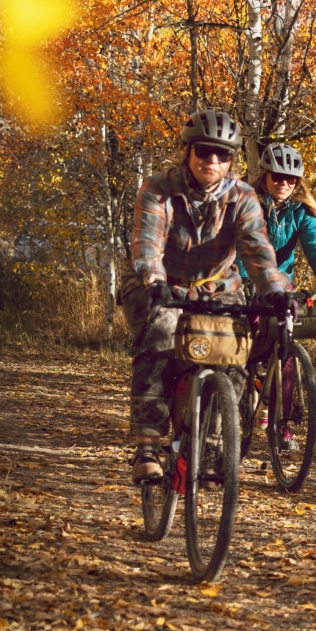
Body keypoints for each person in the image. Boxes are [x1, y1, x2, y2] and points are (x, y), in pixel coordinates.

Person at [122, 110, 288, 485]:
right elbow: (147, 243)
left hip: (218, 287)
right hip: (162, 284)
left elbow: (257, 250)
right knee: (162, 337)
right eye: (204, 151)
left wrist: (274, 291)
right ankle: (148, 445)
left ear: (232, 159)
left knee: (233, 354)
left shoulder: (243, 196)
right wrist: (153, 279)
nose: (212, 161)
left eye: (223, 155)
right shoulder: (158, 189)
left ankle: (214, 446)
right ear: (188, 152)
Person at [260, 142, 316, 313]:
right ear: (265, 176)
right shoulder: (246, 203)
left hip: (280, 280)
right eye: (277, 176)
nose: (284, 183)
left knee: (282, 324)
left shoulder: (301, 212)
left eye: (291, 178)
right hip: (244, 279)